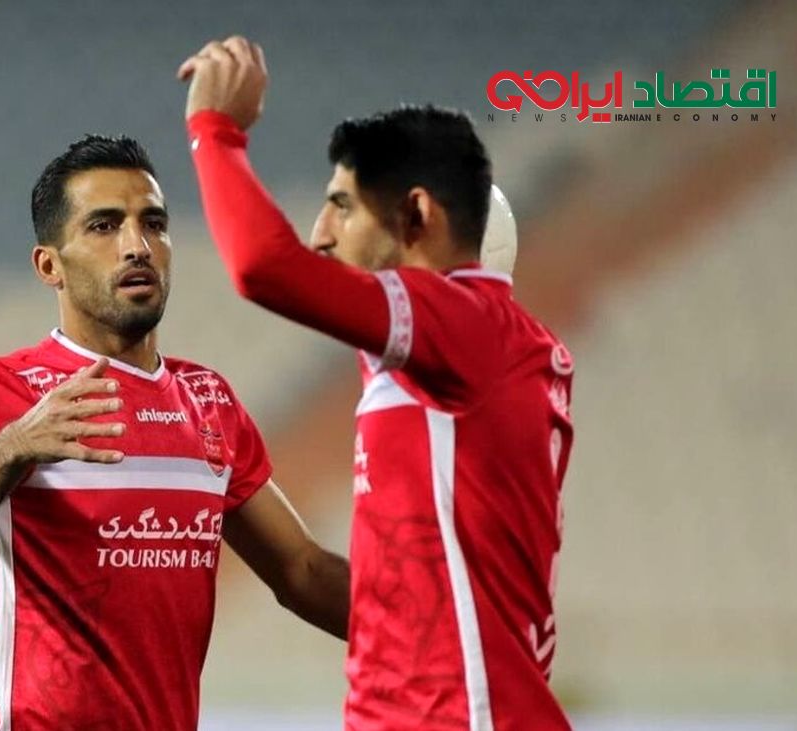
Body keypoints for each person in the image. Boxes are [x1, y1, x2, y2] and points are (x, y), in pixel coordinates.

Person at [0, 135, 349, 731]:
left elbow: (302, 570)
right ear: (49, 265)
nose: (137, 246)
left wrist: (432, 634)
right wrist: (13, 448)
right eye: (104, 226)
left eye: (153, 224)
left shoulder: (208, 402)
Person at [179, 37, 575, 730]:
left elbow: (264, 267)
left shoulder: (464, 323)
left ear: (417, 216)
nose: (320, 234)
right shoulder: (463, 356)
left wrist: (214, 132)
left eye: (343, 206)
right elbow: (410, 598)